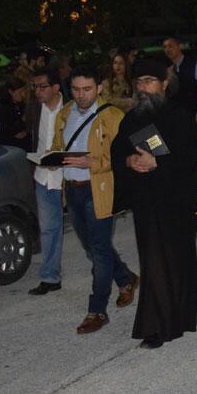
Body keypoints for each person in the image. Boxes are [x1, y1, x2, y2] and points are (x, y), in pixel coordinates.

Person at [111, 58, 197, 349]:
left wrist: (158, 164)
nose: (143, 88)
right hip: (145, 202)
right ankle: (160, 323)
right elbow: (117, 151)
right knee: (153, 263)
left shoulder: (180, 117)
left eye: (149, 81)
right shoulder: (131, 119)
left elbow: (191, 160)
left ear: (164, 84)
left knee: (178, 259)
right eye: (139, 82)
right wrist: (129, 160)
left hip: (175, 201)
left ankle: (171, 317)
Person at [51, 65, 138, 334]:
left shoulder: (112, 116)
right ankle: (125, 277)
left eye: (87, 89)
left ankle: (96, 310)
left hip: (98, 189)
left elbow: (124, 156)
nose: (81, 95)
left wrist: (93, 162)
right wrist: (52, 157)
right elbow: (58, 146)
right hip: (72, 189)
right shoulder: (65, 113)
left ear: (99, 88)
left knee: (99, 251)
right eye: (76, 89)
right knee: (92, 247)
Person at [27, 68, 65, 296]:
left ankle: (116, 273)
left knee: (88, 233)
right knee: (49, 229)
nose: (38, 91)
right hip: (43, 177)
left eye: (42, 86)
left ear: (56, 88)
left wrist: (60, 159)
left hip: (68, 178)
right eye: (35, 86)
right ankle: (50, 277)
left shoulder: (70, 109)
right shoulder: (34, 110)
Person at [0, 77, 30, 150]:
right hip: (11, 147)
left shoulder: (21, 105)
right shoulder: (3, 108)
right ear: (11, 92)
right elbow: (6, 131)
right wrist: (22, 120)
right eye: (20, 91)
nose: (23, 94)